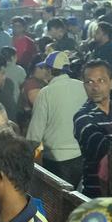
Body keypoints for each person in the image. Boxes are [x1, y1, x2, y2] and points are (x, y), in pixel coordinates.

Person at [25, 51, 87, 185]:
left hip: (56, 160)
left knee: (57, 203)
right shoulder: (81, 86)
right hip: (80, 156)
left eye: (44, 68)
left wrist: (28, 157)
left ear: (50, 70)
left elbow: (35, 133)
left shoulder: (45, 93)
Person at [75, 59, 112, 197]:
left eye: (101, 81)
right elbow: (103, 149)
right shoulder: (82, 117)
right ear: (84, 85)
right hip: (96, 194)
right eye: (89, 82)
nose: (95, 87)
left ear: (111, 83)